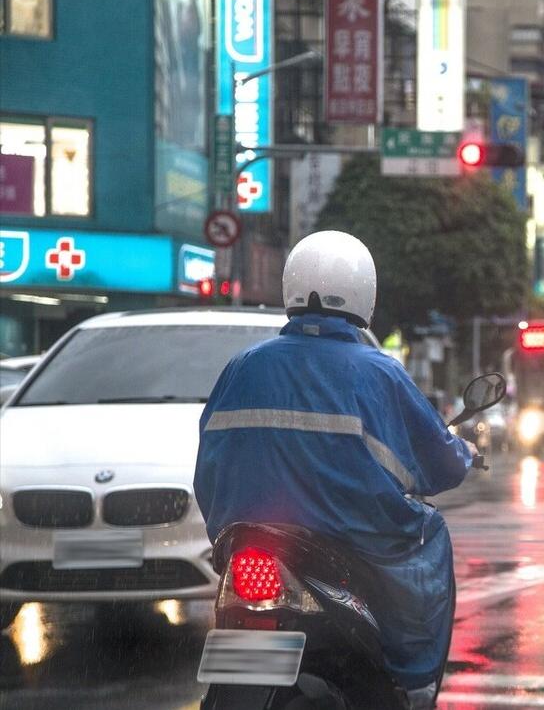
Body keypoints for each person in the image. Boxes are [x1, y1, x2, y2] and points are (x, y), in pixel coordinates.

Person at [194, 230, 476, 709]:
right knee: (432, 535)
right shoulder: (378, 372)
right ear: (365, 294)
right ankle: (414, 682)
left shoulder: (243, 366)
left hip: (247, 542)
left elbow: (208, 470)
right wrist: (463, 452)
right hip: (349, 544)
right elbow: (440, 467)